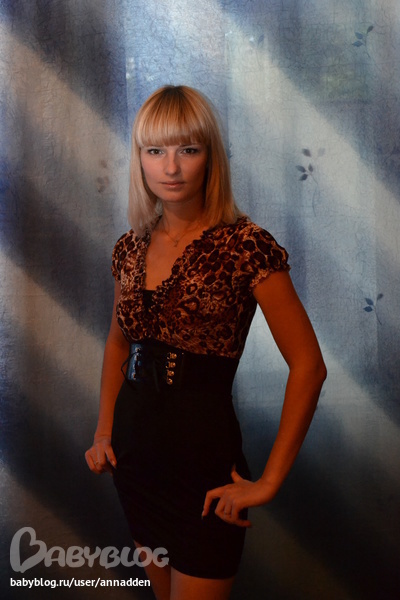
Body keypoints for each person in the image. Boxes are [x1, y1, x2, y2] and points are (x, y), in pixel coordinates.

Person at [85, 85, 327, 600]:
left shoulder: (246, 245)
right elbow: (118, 345)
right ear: (140, 159)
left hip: (204, 472)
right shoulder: (129, 248)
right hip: (134, 463)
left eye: (188, 149)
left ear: (210, 157)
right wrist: (104, 431)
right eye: (155, 150)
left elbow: (309, 365)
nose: (171, 167)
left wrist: (269, 481)